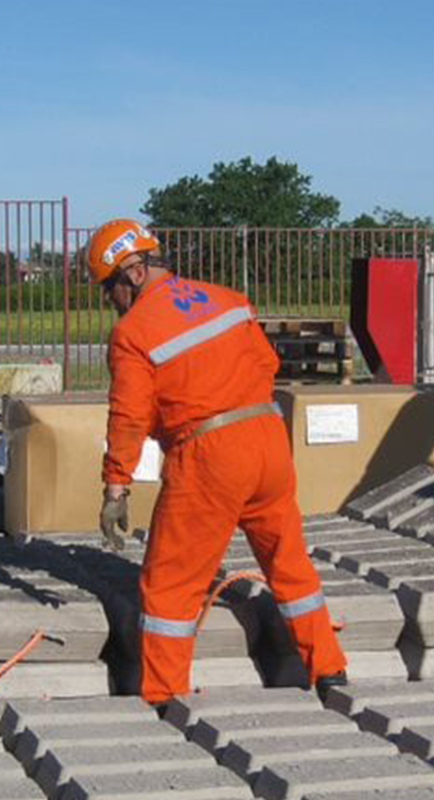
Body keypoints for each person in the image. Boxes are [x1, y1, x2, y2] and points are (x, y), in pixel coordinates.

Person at [85, 218, 349, 706]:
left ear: (134, 272)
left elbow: (128, 417)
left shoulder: (134, 333)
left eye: (110, 289)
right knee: (289, 564)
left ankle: (164, 698)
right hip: (269, 440)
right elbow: (267, 365)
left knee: (170, 584)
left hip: (208, 457)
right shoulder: (229, 300)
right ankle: (329, 670)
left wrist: (116, 486)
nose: (110, 302)